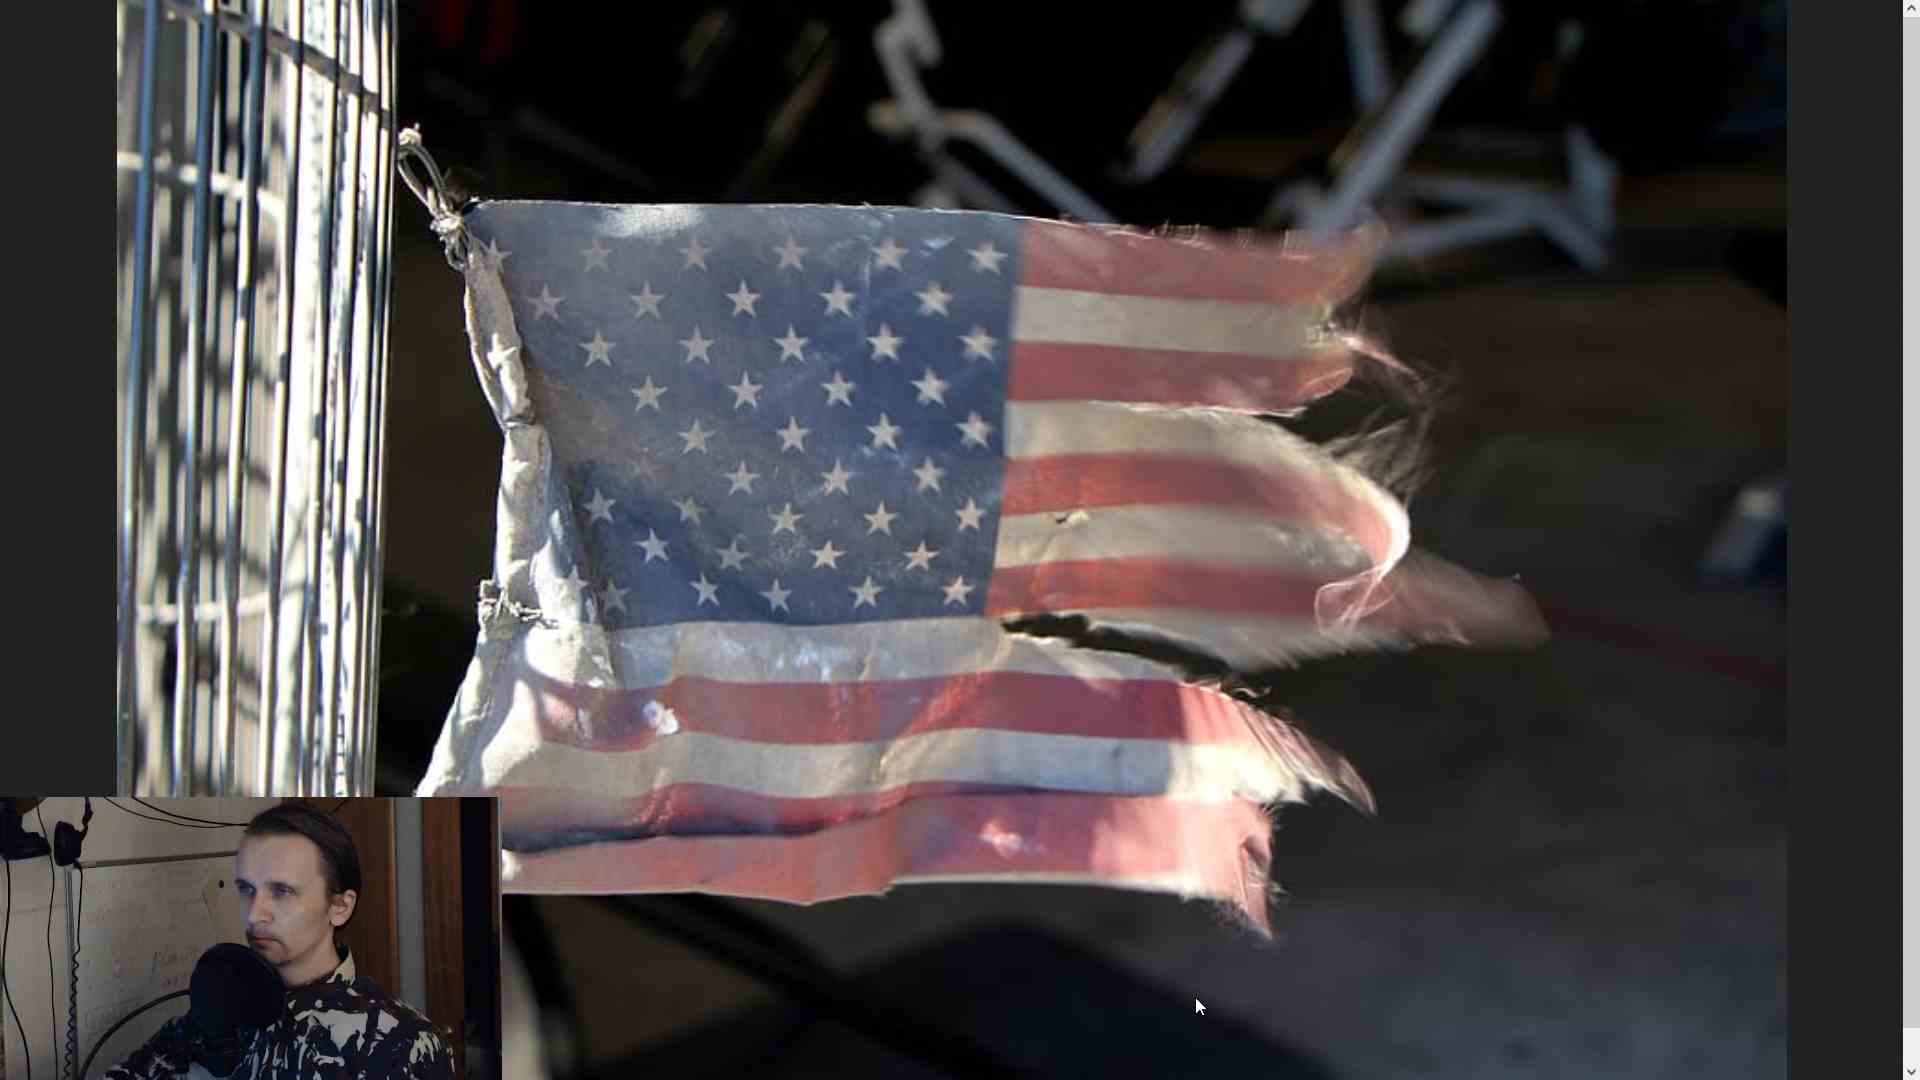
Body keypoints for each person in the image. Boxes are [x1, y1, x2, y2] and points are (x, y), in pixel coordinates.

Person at [105, 803, 457, 1079]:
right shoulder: (222, 1007)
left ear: (340, 907)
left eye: (282, 891)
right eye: (247, 889)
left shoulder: (403, 1042)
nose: (255, 914)